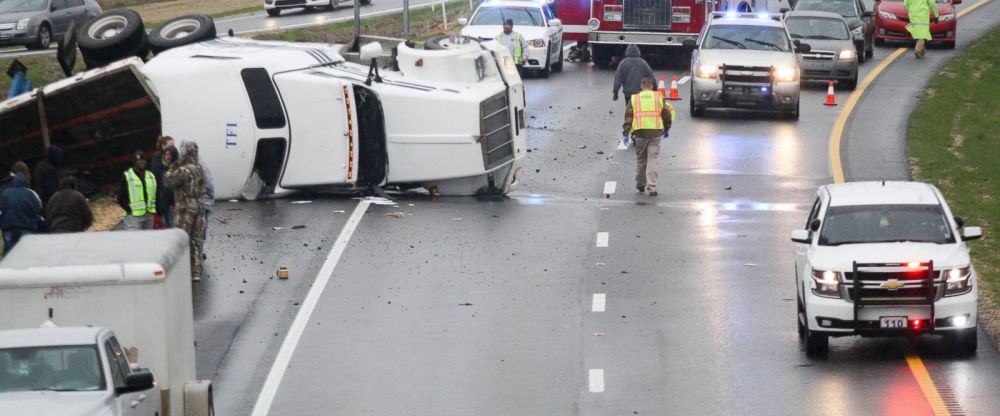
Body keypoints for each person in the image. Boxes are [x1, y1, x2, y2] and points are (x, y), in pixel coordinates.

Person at [623, 77, 675, 197]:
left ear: (641, 86)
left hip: (640, 134)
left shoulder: (634, 98)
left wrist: (625, 133)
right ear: (652, 86)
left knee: (641, 159)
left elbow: (628, 117)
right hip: (656, 133)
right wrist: (667, 129)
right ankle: (652, 187)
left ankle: (640, 184)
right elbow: (667, 114)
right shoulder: (659, 97)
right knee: (652, 160)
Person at [165, 142, 207, 281]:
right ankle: (196, 271)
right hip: (199, 206)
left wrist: (172, 168)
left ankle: (181, 271)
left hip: (185, 207)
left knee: (181, 238)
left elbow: (168, 181)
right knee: (197, 239)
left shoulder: (184, 170)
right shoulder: (200, 168)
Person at [0, 172, 43, 254]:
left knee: (9, 254)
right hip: (26, 227)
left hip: (9, 228)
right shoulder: (31, 193)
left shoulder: (5, 193)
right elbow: (38, 208)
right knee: (26, 253)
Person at [117, 152, 157, 230]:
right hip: (133, 217)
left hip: (149, 214)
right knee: (135, 240)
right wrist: (129, 210)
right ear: (134, 162)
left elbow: (156, 194)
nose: (141, 162)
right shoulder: (128, 176)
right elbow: (120, 196)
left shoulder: (151, 175)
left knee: (149, 239)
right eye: (138, 160)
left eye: (143, 160)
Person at [613, 44, 655, 108]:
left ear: (627, 52)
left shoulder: (623, 63)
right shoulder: (643, 63)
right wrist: (655, 89)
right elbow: (651, 76)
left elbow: (617, 80)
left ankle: (631, 117)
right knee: (640, 108)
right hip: (640, 93)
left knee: (629, 110)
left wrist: (615, 93)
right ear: (638, 52)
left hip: (628, 94)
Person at [151, 143, 178, 229]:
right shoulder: (160, 168)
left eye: (170, 155)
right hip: (163, 203)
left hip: (174, 203)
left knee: (171, 226)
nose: (168, 157)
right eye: (166, 155)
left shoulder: (177, 169)